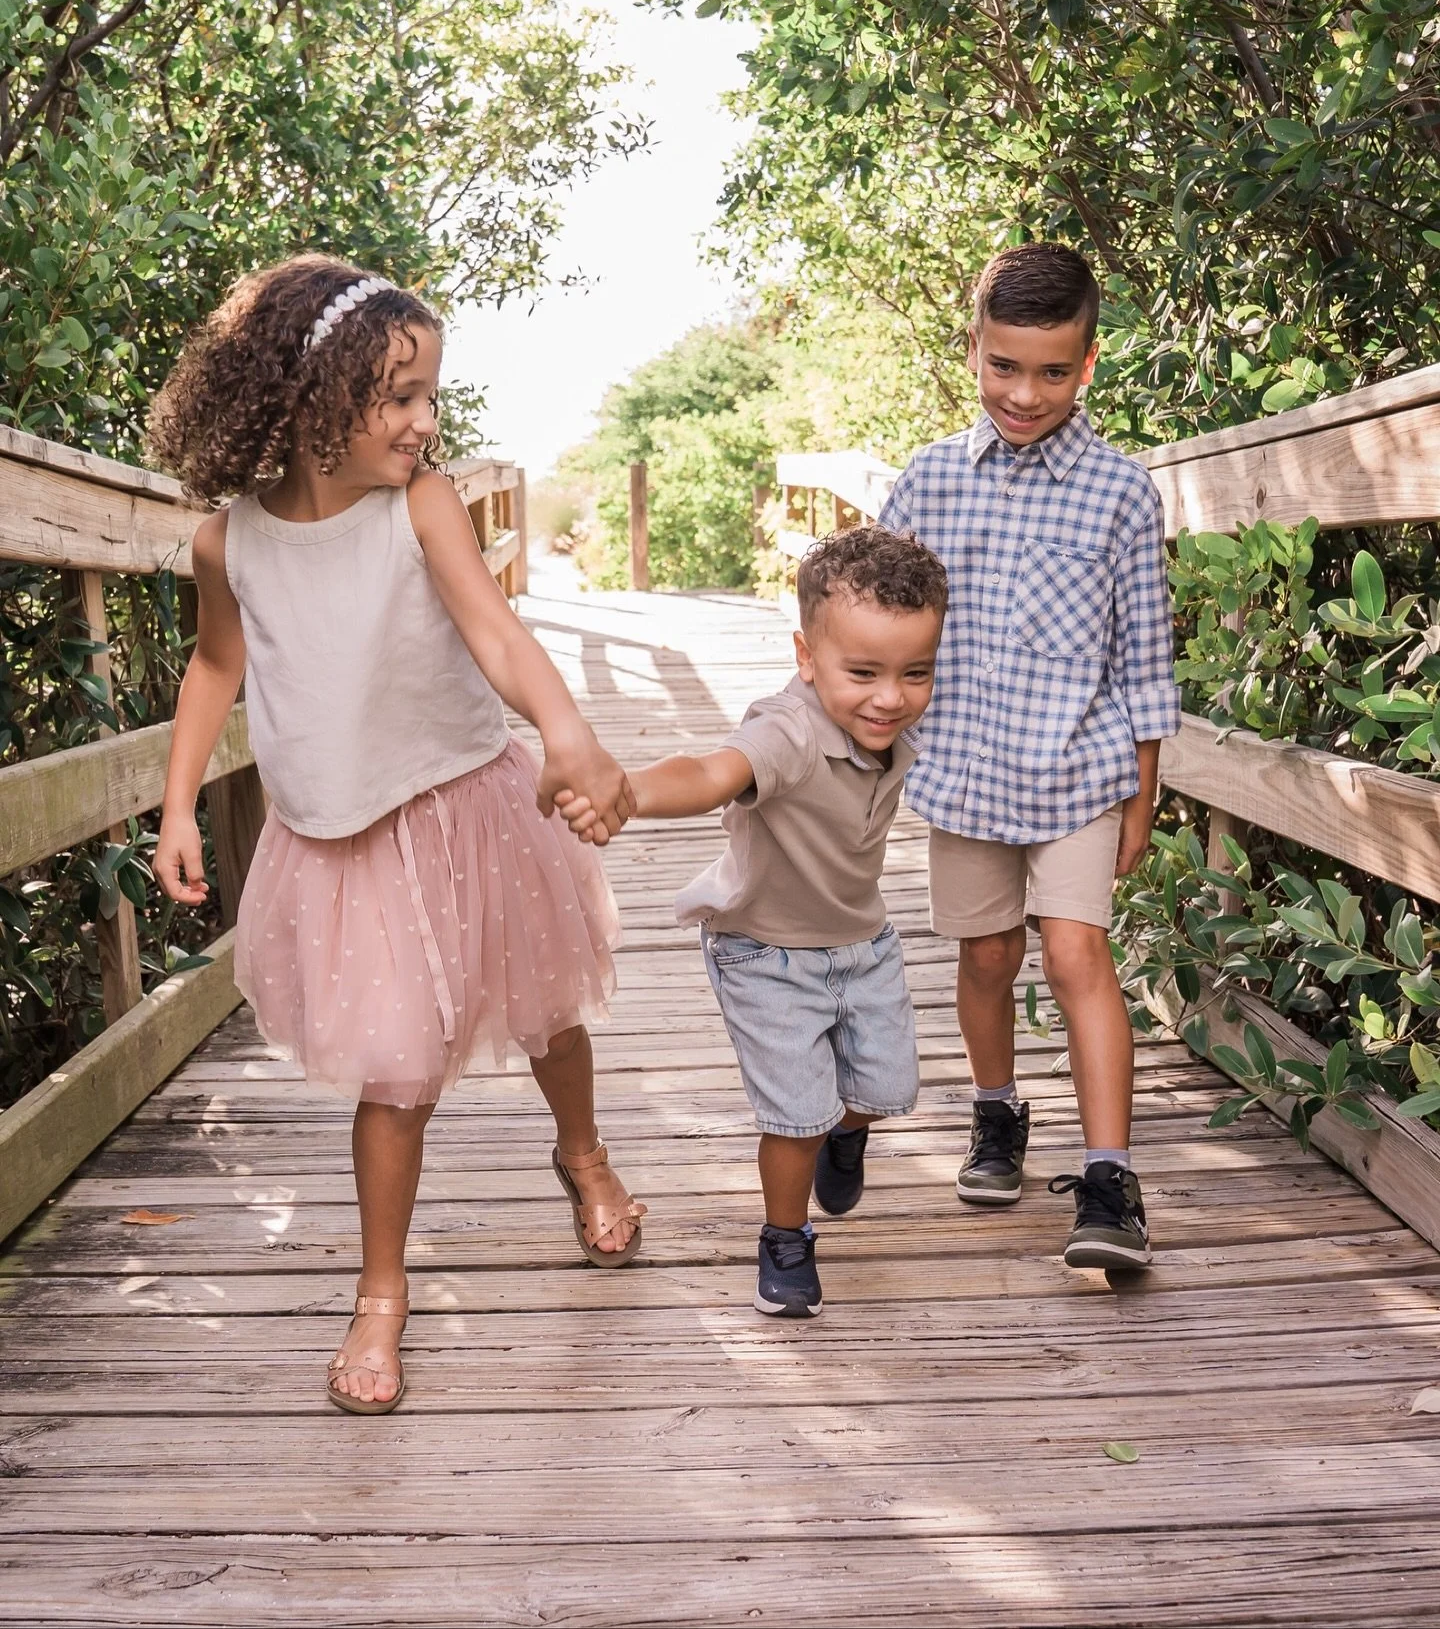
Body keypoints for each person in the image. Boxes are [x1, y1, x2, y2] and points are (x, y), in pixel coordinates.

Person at [149, 254, 646, 1415]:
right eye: (398, 395)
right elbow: (217, 661)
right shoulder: (231, 543)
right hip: (340, 841)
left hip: (466, 802)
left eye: (432, 394)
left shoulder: (420, 506)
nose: (426, 422)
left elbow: (497, 631)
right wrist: (176, 803)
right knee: (397, 1073)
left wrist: (566, 729)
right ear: (309, 394)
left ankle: (581, 1149)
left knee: (546, 1013)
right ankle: (383, 1291)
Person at [878, 241, 1181, 1270]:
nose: (1025, 391)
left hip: (1078, 770)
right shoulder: (924, 483)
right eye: (1005, 365)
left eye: (1053, 370)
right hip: (963, 766)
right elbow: (873, 625)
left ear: (1089, 364)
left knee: (1073, 952)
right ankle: (998, 1112)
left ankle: (1109, 1179)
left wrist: (1142, 796)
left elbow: (1145, 658)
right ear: (973, 351)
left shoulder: (1120, 493)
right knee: (987, 954)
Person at [559, 526, 948, 1317]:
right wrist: (626, 790)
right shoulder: (790, 729)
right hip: (766, 953)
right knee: (796, 1118)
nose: (891, 696)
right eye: (863, 671)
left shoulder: (893, 722)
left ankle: (850, 1129)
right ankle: (785, 1238)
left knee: (886, 1089)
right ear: (807, 657)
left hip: (861, 942)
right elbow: (710, 771)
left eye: (917, 672)